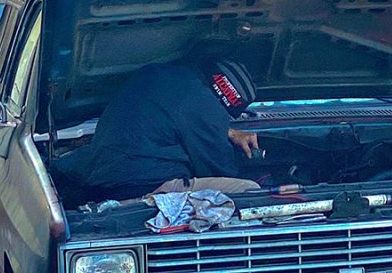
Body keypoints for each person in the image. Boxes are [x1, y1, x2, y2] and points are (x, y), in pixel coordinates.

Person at [56, 56, 261, 200]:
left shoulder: (156, 74)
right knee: (250, 192)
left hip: (103, 179)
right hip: (148, 188)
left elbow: (169, 117)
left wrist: (228, 132)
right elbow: (219, 170)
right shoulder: (202, 103)